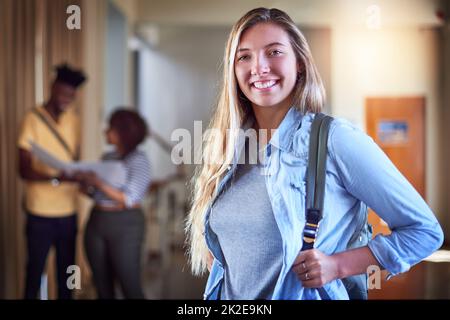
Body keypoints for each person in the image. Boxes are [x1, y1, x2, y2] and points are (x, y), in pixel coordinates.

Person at [185, 7, 444, 300]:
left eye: (274, 52)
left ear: (300, 64)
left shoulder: (335, 139)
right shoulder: (228, 149)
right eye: (244, 56)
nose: (259, 67)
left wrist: (337, 265)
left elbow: (424, 231)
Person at [18, 63, 87, 299]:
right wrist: (54, 177)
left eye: (72, 96)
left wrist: (76, 174)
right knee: (35, 272)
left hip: (68, 210)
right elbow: (23, 169)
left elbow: (72, 159)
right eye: (64, 93)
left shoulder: (74, 120)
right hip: (39, 211)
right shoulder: (32, 119)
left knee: (66, 274)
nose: (67, 99)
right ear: (53, 88)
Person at [77, 109, 151, 299]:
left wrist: (98, 182)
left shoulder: (139, 161)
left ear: (124, 133)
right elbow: (99, 195)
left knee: (129, 285)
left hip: (125, 225)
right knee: (101, 286)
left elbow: (129, 198)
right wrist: (86, 187)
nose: (106, 131)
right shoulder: (107, 158)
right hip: (97, 221)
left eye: (110, 128)